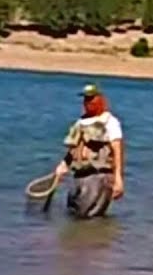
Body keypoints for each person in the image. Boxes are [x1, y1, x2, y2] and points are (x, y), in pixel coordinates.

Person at [53, 83, 125, 219]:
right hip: (79, 175)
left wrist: (118, 179)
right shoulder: (81, 122)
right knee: (74, 215)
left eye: (91, 99)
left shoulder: (110, 122)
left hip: (99, 176)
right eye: (85, 99)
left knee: (89, 217)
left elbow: (117, 149)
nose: (87, 103)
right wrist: (63, 165)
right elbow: (75, 147)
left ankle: (94, 240)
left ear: (99, 100)